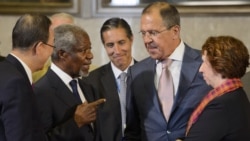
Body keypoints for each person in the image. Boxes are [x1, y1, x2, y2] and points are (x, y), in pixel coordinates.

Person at [124, 2, 211, 141]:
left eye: (153, 33)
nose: (147, 40)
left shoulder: (206, 64)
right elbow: (132, 132)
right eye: (143, 33)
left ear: (175, 31)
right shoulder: (136, 73)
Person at [33, 24, 105, 141]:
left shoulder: (88, 87)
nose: (90, 56)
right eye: (83, 50)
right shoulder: (40, 92)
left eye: (89, 49)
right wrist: (76, 122)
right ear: (62, 54)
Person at [182, 36, 250, 141]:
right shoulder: (237, 94)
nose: (201, 69)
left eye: (205, 62)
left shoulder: (221, 105)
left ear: (219, 65)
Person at [0, 14, 53, 141]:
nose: (52, 53)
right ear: (40, 48)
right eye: (52, 46)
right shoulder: (16, 83)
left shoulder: (4, 70)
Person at [83, 17, 137, 141]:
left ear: (131, 40)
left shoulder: (148, 75)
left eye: (121, 42)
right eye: (110, 45)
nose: (116, 51)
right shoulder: (91, 81)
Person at [32, 12, 74, 82]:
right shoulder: (35, 73)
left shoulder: (90, 74)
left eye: (66, 32)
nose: (61, 37)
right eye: (56, 32)